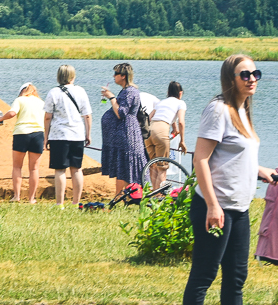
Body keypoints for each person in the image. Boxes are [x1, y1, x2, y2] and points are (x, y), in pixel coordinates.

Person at [182, 54, 274, 305]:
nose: (251, 79)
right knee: (203, 276)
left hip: (240, 209)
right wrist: (212, 205)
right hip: (215, 207)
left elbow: (234, 156)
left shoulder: (242, 110)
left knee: (236, 280)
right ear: (230, 79)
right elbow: (201, 160)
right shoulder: (218, 109)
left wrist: (261, 170)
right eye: (244, 74)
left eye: (255, 73)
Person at [43, 65, 92, 208]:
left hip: (59, 135)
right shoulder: (81, 91)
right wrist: (87, 134)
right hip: (77, 135)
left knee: (60, 170)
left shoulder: (54, 92)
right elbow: (87, 115)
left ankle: (60, 203)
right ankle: (76, 202)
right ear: (73, 76)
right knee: (76, 168)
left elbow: (47, 117)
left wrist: (46, 137)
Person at [100, 63, 148, 197]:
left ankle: (122, 196)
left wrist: (111, 97)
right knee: (122, 165)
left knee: (126, 165)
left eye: (116, 74)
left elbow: (121, 113)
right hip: (121, 135)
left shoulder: (130, 92)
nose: (113, 76)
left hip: (127, 133)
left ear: (123, 76)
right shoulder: (125, 91)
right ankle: (121, 196)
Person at [0, 83, 47, 203]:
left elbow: (12, 113)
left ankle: (17, 196)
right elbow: (48, 118)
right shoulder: (41, 103)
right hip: (38, 134)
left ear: (22, 91)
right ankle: (31, 199)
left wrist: (1, 118)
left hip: (21, 134)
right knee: (34, 169)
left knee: (17, 166)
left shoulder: (20, 100)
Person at [146, 81, 188, 188]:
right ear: (180, 93)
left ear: (168, 92)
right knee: (162, 166)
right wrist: (182, 141)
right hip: (161, 129)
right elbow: (181, 122)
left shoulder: (161, 102)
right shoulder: (180, 103)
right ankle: (159, 195)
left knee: (153, 165)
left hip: (149, 130)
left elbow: (149, 117)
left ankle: (153, 194)